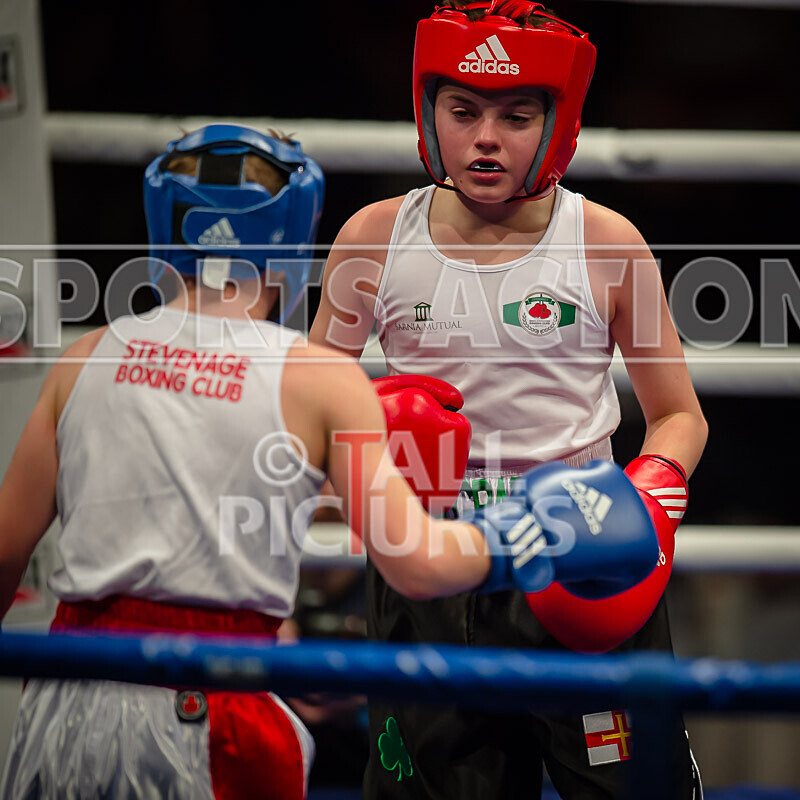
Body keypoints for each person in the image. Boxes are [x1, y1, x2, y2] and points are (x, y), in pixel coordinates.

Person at [0, 123, 659, 799]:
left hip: (66, 694)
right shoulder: (316, 381)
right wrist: (539, 530)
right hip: (213, 700)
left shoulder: (82, 362)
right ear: (292, 238)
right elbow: (420, 563)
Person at [309, 2, 708, 798]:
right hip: (427, 560)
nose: (485, 138)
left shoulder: (606, 243)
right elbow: (309, 412)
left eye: (516, 117)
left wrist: (646, 504)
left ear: (557, 124)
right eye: (463, 112)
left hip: (581, 556)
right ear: (430, 113)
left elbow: (678, 415)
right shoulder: (374, 238)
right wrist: (355, 484)